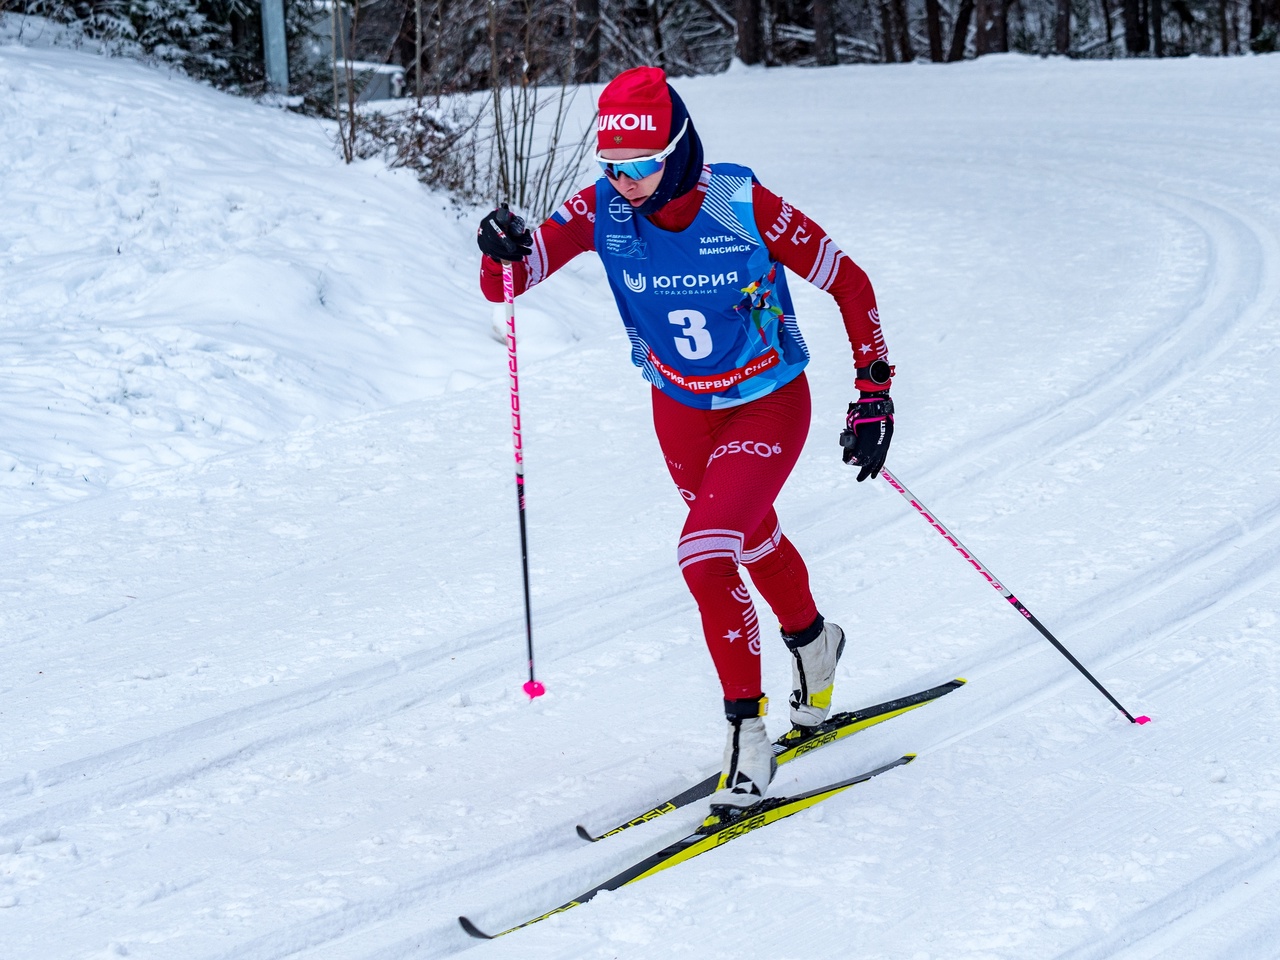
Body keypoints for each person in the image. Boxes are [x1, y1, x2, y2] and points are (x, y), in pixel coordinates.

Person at [476, 66, 894, 817]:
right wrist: (499, 247)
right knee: (750, 538)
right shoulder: (603, 208)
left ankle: (747, 736)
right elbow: (508, 280)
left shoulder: (739, 205)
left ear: (680, 152)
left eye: (641, 166)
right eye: (613, 167)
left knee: (704, 554)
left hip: (767, 406)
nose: (626, 182)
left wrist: (874, 393)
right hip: (679, 411)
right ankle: (814, 643)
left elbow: (851, 281)